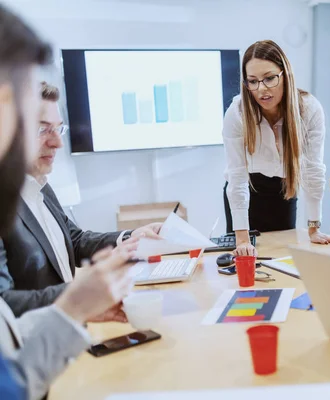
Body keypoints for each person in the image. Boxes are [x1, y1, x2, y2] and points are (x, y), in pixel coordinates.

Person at [0, 4, 137, 399]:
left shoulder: (40, 186)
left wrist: (77, 310)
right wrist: (73, 305)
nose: (55, 142)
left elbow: (6, 332)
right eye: (30, 121)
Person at [0, 82, 161, 317]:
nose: (58, 143)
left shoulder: (40, 184)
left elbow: (72, 241)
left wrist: (127, 238)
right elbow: (3, 304)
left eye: (59, 129)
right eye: (42, 130)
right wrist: (80, 295)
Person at [222, 40, 330, 256]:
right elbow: (237, 177)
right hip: (246, 189)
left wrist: (314, 228)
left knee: (281, 257)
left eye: (269, 78)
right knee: (246, 260)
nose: (261, 89)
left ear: (285, 74)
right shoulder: (237, 113)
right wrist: (242, 239)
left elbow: (313, 171)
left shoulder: (308, 109)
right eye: (252, 81)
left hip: (284, 189)